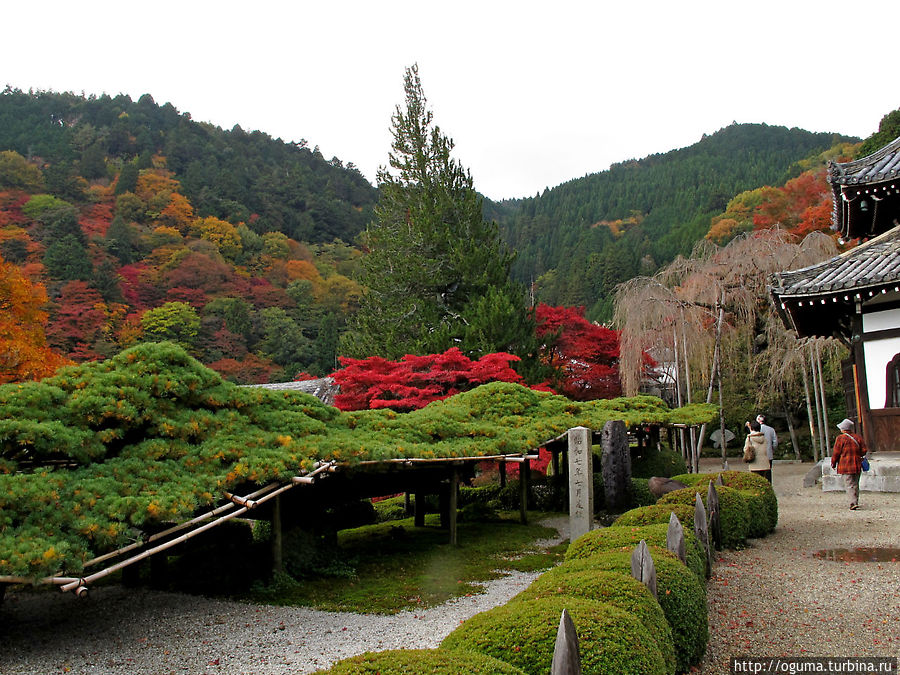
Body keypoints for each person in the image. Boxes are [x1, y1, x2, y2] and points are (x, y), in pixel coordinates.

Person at [830, 418, 868, 510]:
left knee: (849, 484)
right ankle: (855, 501)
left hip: (845, 465)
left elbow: (836, 452)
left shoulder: (840, 438)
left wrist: (833, 463)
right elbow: (864, 450)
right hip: (857, 464)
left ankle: (852, 503)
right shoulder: (858, 437)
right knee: (855, 484)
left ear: (843, 429)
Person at [757, 414, 777, 482]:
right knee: (768, 472)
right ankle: (769, 485)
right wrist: (772, 449)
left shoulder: (756, 430)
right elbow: (775, 442)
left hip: (758, 454)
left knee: (759, 473)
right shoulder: (771, 429)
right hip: (769, 454)